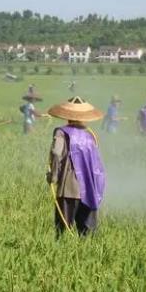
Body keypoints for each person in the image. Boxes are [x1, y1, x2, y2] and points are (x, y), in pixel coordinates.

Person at [47, 96, 106, 237]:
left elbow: (56, 153)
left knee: (62, 230)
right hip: (89, 187)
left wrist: (53, 176)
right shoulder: (90, 135)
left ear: (67, 116)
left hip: (68, 187)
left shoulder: (61, 132)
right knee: (87, 232)